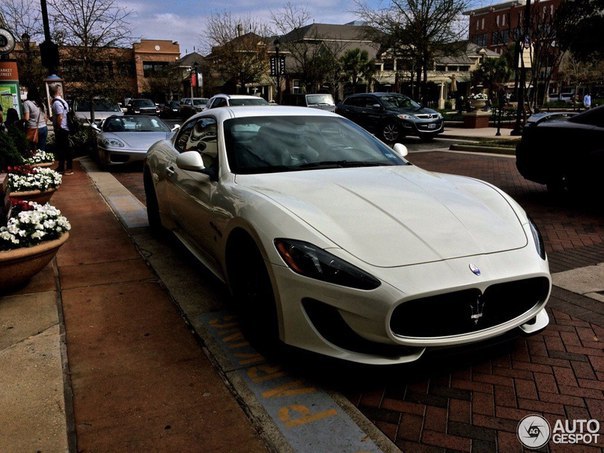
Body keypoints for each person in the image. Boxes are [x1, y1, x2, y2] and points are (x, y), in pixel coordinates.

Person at [50, 83, 73, 175]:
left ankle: (68, 168)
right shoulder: (63, 102)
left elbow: (60, 116)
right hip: (65, 128)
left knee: (63, 149)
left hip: (61, 129)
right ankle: (62, 166)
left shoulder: (56, 103)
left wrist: (58, 127)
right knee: (64, 148)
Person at [22, 88, 48, 152]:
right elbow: (46, 118)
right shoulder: (41, 104)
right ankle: (43, 160)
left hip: (32, 128)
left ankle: (35, 161)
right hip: (44, 128)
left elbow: (26, 118)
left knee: (32, 149)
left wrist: (19, 121)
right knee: (42, 149)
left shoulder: (27, 103)